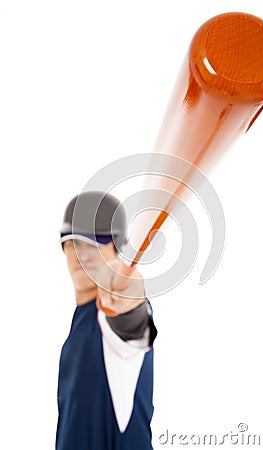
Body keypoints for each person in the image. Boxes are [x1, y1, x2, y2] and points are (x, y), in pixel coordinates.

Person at [55, 190, 157, 450]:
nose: (84, 254)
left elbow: (131, 325)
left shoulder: (111, 317)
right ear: (64, 247)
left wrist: (130, 303)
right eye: (75, 243)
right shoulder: (77, 328)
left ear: (117, 249)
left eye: (96, 243)